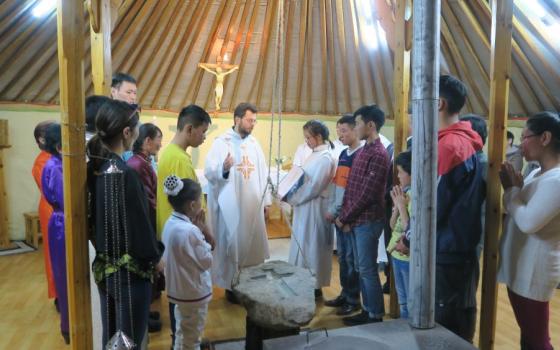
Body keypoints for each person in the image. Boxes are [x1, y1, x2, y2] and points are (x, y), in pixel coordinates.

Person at [87, 99, 163, 347]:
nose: (140, 132)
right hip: (129, 275)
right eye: (137, 127)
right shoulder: (125, 173)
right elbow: (140, 229)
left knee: (112, 340)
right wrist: (156, 257)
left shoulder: (96, 168)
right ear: (127, 132)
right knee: (129, 342)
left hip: (104, 269)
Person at [498, 111, 560, 350]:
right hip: (522, 266)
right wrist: (512, 192)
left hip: (535, 270)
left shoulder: (556, 181)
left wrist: (512, 191)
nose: (521, 144)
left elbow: (527, 221)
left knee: (538, 341)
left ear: (544, 138)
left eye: (525, 137)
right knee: (528, 337)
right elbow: (510, 205)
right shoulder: (537, 172)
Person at [435, 75, 486, 342]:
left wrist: (410, 234)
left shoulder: (449, 146)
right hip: (456, 245)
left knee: (447, 321)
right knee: (459, 313)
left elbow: (434, 205)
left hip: (448, 246)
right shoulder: (461, 141)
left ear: (439, 104)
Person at [157, 104, 213, 343]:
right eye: (202, 131)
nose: (203, 137)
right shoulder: (179, 160)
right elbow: (194, 210)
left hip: (171, 233)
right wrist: (209, 237)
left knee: (179, 313)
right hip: (185, 239)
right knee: (187, 322)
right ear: (189, 129)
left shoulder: (169, 153)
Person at [205, 102, 271, 302]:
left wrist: (267, 202)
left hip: (252, 208)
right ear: (237, 119)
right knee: (232, 243)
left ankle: (250, 284)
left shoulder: (254, 144)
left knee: (251, 244)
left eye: (254, 121)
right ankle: (232, 288)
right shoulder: (221, 143)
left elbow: (263, 174)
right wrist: (223, 169)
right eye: (250, 120)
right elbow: (210, 172)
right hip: (231, 207)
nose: (253, 124)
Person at [335, 104, 391, 326]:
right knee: (361, 268)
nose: (355, 127)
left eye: (357, 123)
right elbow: (351, 188)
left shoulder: (378, 154)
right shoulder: (364, 150)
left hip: (368, 219)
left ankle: (374, 314)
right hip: (356, 218)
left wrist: (345, 217)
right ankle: (367, 309)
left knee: (367, 270)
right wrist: (346, 216)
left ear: (371, 125)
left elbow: (368, 194)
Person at [286, 120, 336, 297]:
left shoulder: (325, 158)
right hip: (305, 207)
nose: (306, 141)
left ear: (319, 137)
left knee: (312, 245)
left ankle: (314, 286)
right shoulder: (314, 154)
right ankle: (301, 280)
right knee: (303, 241)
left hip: (315, 209)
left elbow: (314, 186)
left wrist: (293, 197)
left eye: (308, 137)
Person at [162, 176, 213, 350]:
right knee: (192, 338)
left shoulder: (170, 223)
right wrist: (201, 234)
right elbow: (206, 261)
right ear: (192, 205)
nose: (202, 204)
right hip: (193, 293)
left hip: (179, 291)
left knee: (182, 332)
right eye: (201, 200)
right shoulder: (190, 231)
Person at [324, 115, 363, 315]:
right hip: (340, 216)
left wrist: (343, 215)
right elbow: (338, 186)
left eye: (344, 131)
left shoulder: (361, 154)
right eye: (338, 131)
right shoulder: (343, 154)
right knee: (343, 259)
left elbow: (355, 192)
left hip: (350, 218)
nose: (340, 135)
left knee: (352, 260)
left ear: (356, 129)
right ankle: (345, 294)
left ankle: (353, 299)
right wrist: (335, 211)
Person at [40, 123, 69, 344]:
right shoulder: (57, 167)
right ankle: (69, 325)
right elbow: (66, 200)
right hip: (63, 223)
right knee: (66, 274)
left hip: (60, 221)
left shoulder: (54, 163)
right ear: (60, 146)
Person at [31, 121, 57, 304]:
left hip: (58, 209)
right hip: (51, 210)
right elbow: (52, 190)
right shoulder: (42, 161)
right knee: (53, 254)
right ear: (42, 139)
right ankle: (58, 295)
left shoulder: (54, 156)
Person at [387, 151, 412, 319]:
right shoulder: (404, 193)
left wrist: (402, 207)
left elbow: (409, 230)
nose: (398, 176)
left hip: (407, 256)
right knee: (402, 300)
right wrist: (396, 206)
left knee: (411, 302)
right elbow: (391, 225)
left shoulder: (416, 196)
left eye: (401, 172)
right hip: (396, 253)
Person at [127, 123, 163, 229]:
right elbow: (149, 202)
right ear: (148, 141)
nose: (160, 145)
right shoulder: (140, 165)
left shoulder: (139, 161)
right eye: (159, 140)